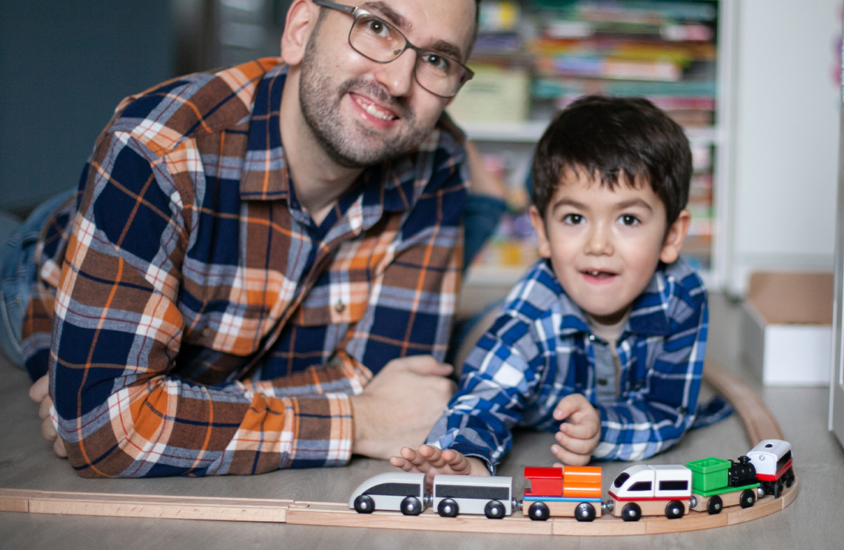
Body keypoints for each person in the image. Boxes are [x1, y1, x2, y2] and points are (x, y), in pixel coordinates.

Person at [0, 0, 505, 478]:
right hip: (40, 262)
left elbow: (398, 386)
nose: (397, 81)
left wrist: (162, 407)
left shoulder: (438, 159)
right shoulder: (152, 149)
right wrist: (359, 420)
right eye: (376, 26)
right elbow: (106, 430)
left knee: (480, 202)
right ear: (300, 31)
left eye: (437, 59)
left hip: (235, 298)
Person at [391, 96, 732, 478]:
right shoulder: (533, 312)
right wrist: (465, 456)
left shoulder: (683, 298)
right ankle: (487, 200)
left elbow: (669, 411)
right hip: (482, 335)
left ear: (672, 235)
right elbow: (483, 399)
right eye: (574, 217)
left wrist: (603, 429)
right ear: (542, 231)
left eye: (629, 220)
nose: (598, 245)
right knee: (455, 324)